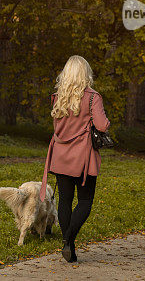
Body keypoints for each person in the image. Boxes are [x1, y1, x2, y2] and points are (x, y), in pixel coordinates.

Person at [39, 55, 110, 263]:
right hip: (83, 157)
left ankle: (67, 243)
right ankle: (69, 240)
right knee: (85, 201)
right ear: (86, 73)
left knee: (65, 201)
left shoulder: (58, 97)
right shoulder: (92, 97)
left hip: (60, 155)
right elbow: (102, 125)